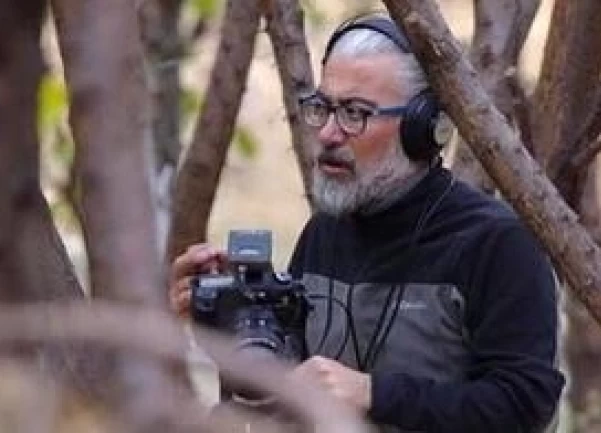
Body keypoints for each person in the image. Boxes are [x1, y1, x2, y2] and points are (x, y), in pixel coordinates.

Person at [169, 13, 564, 433]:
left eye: (355, 113)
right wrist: (230, 331)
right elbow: (287, 396)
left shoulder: (496, 243)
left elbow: (526, 406)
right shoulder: (324, 233)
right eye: (322, 108)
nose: (328, 134)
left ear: (422, 127)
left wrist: (375, 394)